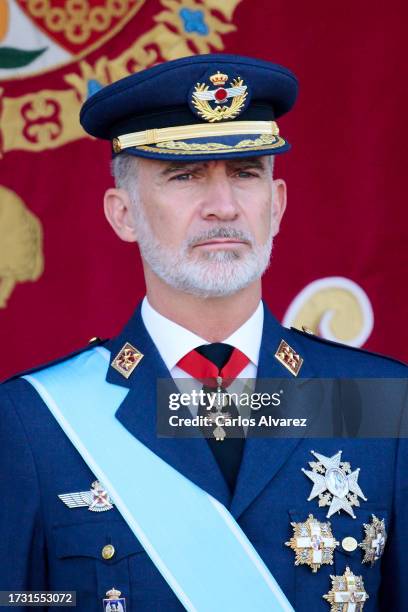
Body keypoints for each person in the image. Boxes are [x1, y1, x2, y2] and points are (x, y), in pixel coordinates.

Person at [0, 53, 407, 612]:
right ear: (123, 214)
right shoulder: (35, 420)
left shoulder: (378, 402)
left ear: (278, 205)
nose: (223, 207)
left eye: (244, 174)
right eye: (185, 176)